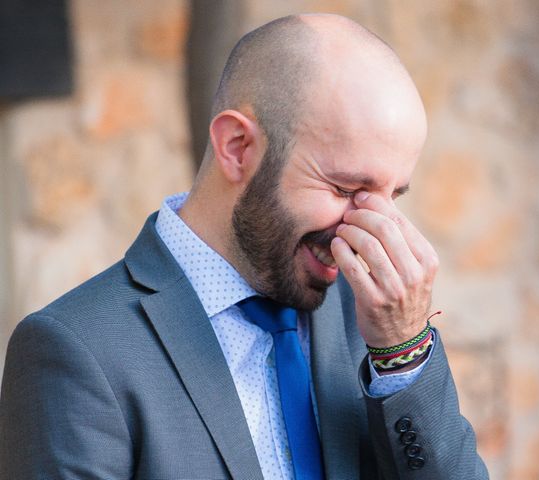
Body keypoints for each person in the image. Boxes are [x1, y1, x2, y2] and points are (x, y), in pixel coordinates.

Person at [0, 13, 489, 480]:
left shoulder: (373, 320)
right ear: (237, 147)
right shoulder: (77, 350)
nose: (368, 232)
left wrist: (403, 351)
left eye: (393, 196)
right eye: (343, 189)